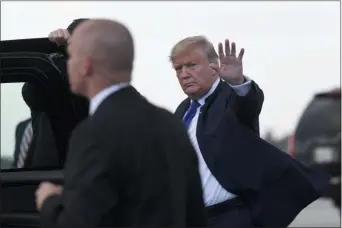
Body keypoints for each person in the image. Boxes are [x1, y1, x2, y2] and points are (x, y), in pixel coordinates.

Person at [35, 19, 207, 228]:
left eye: (71, 58)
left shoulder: (93, 132)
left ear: (86, 65)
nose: (68, 65)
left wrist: (49, 201)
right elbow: (195, 215)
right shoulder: (170, 124)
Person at [171, 36, 330, 227]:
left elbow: (248, 104)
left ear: (214, 67)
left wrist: (238, 82)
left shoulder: (229, 97)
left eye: (191, 65)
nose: (184, 74)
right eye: (178, 69)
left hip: (229, 217)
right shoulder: (183, 111)